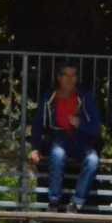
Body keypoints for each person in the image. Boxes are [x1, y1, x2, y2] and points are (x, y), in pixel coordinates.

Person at [28, 62, 101, 212]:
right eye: (66, 75)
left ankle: (77, 202)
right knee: (57, 154)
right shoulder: (50, 97)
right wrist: (35, 148)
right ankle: (54, 201)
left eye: (73, 75)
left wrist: (80, 124)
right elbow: (38, 124)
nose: (70, 79)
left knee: (93, 160)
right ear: (59, 77)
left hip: (81, 140)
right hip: (59, 137)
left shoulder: (85, 97)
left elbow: (96, 128)